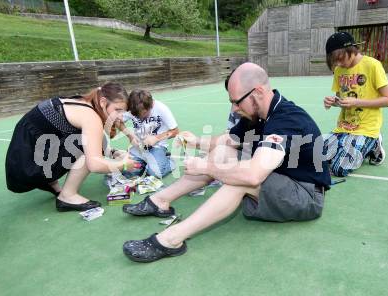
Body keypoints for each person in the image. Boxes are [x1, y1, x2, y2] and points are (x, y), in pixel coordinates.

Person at [121, 62, 331, 263]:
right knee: (223, 152)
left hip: (306, 194)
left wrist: (206, 167)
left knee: (241, 179)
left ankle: (171, 239)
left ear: (257, 92)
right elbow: (225, 141)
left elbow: (252, 176)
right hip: (283, 179)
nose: (233, 108)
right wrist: (195, 141)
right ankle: (161, 201)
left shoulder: (287, 119)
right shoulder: (257, 114)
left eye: (236, 101)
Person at [5, 82, 138, 211]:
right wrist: (124, 164)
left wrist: (112, 152)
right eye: (117, 110)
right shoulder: (91, 117)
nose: (120, 116)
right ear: (103, 102)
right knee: (87, 147)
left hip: (22, 157)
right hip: (24, 169)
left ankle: (50, 182)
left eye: (123, 112)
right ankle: (67, 196)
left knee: (90, 140)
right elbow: (94, 164)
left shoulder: (86, 102)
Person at [323, 32, 388, 177]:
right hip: (343, 128)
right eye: (334, 61)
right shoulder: (339, 70)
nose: (338, 64)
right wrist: (334, 102)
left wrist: (357, 102)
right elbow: (342, 99)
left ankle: (374, 144)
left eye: (340, 59)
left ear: (351, 50)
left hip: (365, 128)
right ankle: (350, 146)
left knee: (339, 169)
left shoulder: (372, 65)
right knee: (316, 157)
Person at [119, 89, 179, 178]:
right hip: (138, 147)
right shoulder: (132, 108)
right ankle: (146, 163)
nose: (141, 118)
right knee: (127, 172)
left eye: (143, 114)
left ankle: (169, 161)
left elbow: (175, 131)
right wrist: (130, 136)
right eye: (136, 115)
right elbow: (118, 121)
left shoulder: (161, 108)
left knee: (156, 173)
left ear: (150, 106)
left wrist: (156, 138)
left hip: (157, 147)